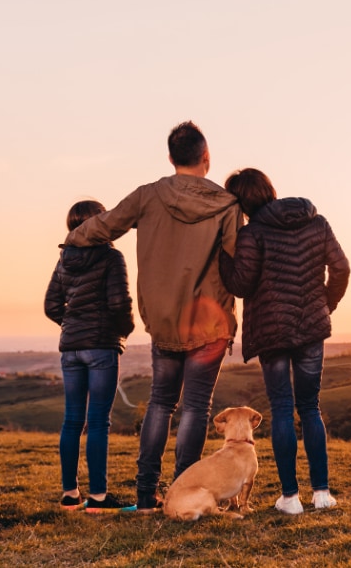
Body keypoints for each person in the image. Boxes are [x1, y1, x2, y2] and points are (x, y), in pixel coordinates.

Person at [64, 121, 241, 514]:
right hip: (209, 325)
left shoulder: (147, 196)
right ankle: (183, 489)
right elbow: (239, 266)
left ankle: (146, 495)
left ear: (170, 158)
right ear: (206, 158)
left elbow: (105, 225)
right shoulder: (227, 206)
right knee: (196, 407)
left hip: (162, 322)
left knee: (161, 403)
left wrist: (73, 241)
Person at [219, 168, 350, 515]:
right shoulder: (316, 223)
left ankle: (289, 498)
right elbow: (342, 268)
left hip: (272, 331)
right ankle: (321, 493)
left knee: (281, 409)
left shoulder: (252, 234)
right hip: (311, 329)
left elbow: (241, 285)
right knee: (310, 407)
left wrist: (222, 255)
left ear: (242, 203)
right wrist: (324, 305)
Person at [44, 200, 136, 513]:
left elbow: (51, 306)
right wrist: (125, 331)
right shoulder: (112, 257)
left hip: (70, 348)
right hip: (101, 347)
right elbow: (119, 303)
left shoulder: (64, 260)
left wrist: (73, 328)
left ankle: (70, 494)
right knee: (98, 422)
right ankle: (98, 498)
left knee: (72, 420)